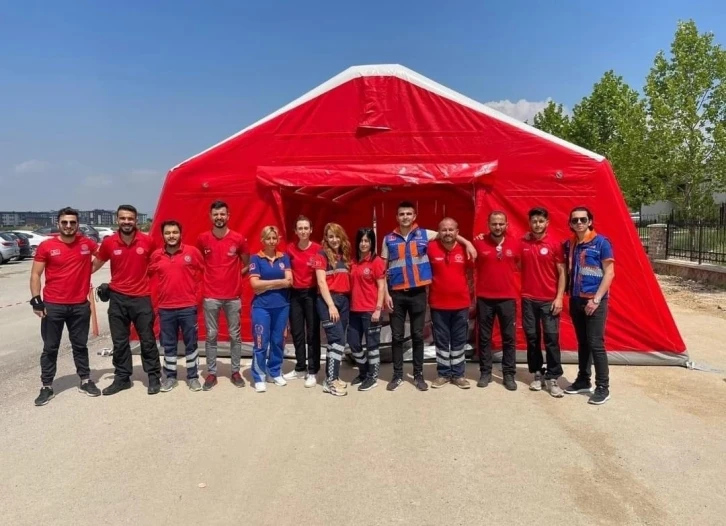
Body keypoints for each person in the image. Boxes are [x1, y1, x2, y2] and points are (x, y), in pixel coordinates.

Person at [382, 201, 476, 392]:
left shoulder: (425, 235)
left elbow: (448, 233)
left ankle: (422, 376)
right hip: (397, 294)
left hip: (418, 293)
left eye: (409, 213)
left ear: (414, 216)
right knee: (397, 336)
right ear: (397, 217)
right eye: (402, 214)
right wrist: (385, 294)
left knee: (419, 336)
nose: (405, 217)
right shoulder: (389, 239)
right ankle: (399, 375)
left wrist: (468, 243)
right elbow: (382, 269)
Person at [30, 207, 101, 406]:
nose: (68, 226)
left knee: (80, 346)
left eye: (72, 222)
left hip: (79, 306)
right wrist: (36, 300)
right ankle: (47, 386)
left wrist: (89, 270)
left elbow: (103, 255)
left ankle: (85, 380)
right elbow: (35, 274)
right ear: (58, 224)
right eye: (65, 222)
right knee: (50, 347)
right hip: (53, 306)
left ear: (77, 224)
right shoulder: (47, 246)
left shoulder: (87, 243)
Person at [92, 204, 162, 396]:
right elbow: (95, 265)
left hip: (141, 298)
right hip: (117, 299)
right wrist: (74, 276)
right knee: (120, 341)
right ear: (117, 220)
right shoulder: (109, 243)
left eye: (130, 218)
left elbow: (158, 265)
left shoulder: (148, 241)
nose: (126, 222)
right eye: (123, 218)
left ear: (136, 220)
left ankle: (154, 377)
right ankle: (122, 378)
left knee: (147, 340)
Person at [196, 200, 250, 391]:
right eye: (216, 214)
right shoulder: (202, 239)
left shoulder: (238, 239)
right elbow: (198, 263)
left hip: (233, 297)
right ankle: (211, 373)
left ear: (228, 216)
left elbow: (247, 263)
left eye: (222, 214)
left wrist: (235, 277)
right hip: (211, 296)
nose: (219, 217)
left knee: (235, 335)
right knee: (211, 335)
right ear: (210, 216)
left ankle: (235, 372)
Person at [563, 206, 615, 405]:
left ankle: (603, 387)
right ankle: (583, 380)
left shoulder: (601, 243)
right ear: (570, 223)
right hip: (576, 298)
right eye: (575, 220)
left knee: (596, 343)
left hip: (595, 300)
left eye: (583, 219)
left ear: (590, 222)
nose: (579, 223)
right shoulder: (570, 244)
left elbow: (609, 273)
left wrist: (596, 299)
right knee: (583, 342)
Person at [148, 220, 204, 392]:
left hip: (188, 307)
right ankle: (170, 377)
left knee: (191, 343)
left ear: (180, 234)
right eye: (167, 233)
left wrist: (197, 296)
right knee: (169, 344)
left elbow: (204, 272)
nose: (171, 236)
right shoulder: (156, 255)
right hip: (166, 308)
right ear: (162, 235)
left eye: (174, 232)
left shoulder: (192, 252)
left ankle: (193, 377)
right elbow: (147, 276)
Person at [520, 207, 566, 398]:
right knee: (532, 338)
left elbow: (562, 272)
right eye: (534, 221)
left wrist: (559, 297)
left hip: (549, 301)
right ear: (529, 223)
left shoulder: (555, 244)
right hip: (528, 299)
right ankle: (537, 373)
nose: (537, 224)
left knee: (551, 339)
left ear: (547, 223)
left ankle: (553, 377)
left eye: (540, 221)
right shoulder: (522, 242)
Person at [473, 211, 521, 391]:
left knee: (509, 338)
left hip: (507, 298)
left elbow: (520, 264)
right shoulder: (478, 242)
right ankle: (485, 372)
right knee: (484, 338)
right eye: (494, 224)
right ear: (488, 225)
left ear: (506, 224)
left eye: (501, 223)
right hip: (485, 298)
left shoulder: (515, 243)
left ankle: (509, 374)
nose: (498, 227)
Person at [428, 218, 473, 389]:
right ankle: (443, 374)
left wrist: (467, 243)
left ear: (457, 232)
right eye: (444, 230)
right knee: (441, 341)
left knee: (459, 341)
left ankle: (459, 375)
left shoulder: (465, 250)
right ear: (438, 232)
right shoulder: (430, 248)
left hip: (461, 304)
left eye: (451, 229)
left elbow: (473, 271)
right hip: (438, 304)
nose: (447, 233)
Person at [248, 226, 292, 393]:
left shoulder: (284, 258)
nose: (272, 241)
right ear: (263, 240)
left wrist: (265, 285)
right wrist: (279, 283)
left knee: (278, 341)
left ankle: (274, 371)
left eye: (274, 238)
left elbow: (289, 281)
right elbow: (254, 284)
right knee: (261, 343)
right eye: (268, 238)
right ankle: (259, 376)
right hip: (262, 307)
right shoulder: (256, 258)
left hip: (281, 306)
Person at [313, 223, 352, 397]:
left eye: (337, 236)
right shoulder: (321, 255)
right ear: (326, 238)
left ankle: (333, 376)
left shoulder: (344, 255)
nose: (334, 240)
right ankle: (330, 382)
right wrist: (331, 305)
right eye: (330, 236)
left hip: (344, 300)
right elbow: (321, 282)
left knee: (334, 342)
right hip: (329, 301)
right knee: (338, 339)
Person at [283, 216, 322, 388]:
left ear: (311, 230)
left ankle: (313, 370)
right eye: (300, 228)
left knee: (312, 333)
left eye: (306, 228)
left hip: (312, 294)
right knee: (297, 332)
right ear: (295, 231)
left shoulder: (318, 249)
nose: (303, 231)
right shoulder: (289, 249)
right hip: (295, 294)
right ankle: (300, 367)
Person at [348, 227, 386, 392]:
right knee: (353, 343)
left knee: (372, 346)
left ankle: (373, 377)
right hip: (354, 310)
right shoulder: (353, 262)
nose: (363, 244)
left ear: (372, 243)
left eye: (367, 241)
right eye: (361, 241)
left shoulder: (376, 262)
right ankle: (363, 371)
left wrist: (378, 309)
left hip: (370, 310)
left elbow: (382, 287)